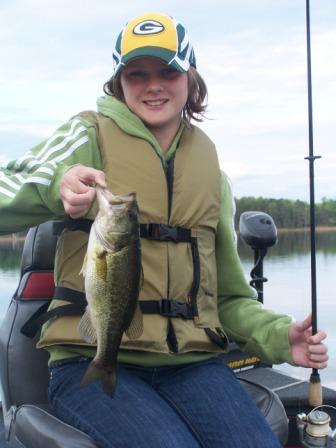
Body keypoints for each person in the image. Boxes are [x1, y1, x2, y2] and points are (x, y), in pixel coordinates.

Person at [0, 11, 328, 448]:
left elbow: (228, 296)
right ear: (118, 83)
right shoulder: (87, 134)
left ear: (190, 78)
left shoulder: (211, 172)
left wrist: (276, 336)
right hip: (88, 359)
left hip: (193, 365)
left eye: (167, 70)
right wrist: (52, 187)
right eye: (136, 74)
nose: (152, 84)